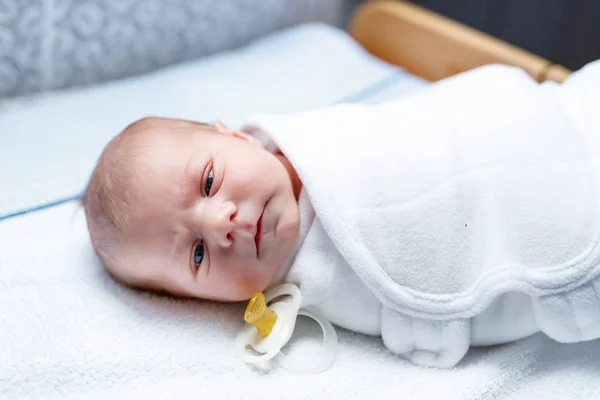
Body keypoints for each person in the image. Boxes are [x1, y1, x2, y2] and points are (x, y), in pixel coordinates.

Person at [83, 60, 600, 368]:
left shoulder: (320, 138)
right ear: (202, 301)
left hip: (553, 116)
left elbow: (424, 126)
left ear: (235, 136)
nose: (220, 223)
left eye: (209, 181)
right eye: (196, 254)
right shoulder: (318, 284)